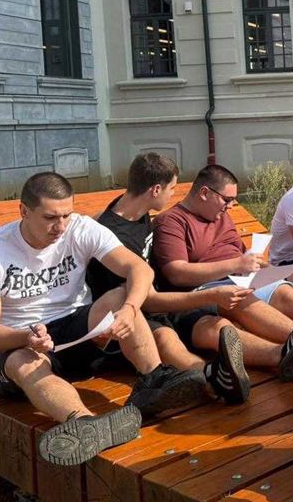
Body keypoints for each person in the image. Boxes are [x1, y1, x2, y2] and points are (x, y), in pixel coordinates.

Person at [0, 172, 206, 467]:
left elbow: (139, 270)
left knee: (120, 296)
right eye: (50, 217)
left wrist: (130, 309)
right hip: (18, 340)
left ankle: (154, 379)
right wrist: (25, 337)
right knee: (24, 361)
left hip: (75, 329)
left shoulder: (80, 228)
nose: (60, 226)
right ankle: (84, 423)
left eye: (66, 215)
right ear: (24, 211)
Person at [85, 152, 260, 404]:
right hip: (127, 316)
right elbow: (147, 301)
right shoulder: (115, 239)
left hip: (158, 302)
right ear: (156, 189)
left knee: (215, 322)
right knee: (165, 339)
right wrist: (209, 295)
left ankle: (241, 367)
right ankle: (211, 378)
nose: (173, 195)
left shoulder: (134, 211)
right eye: (172, 188)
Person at [151, 165, 293, 344]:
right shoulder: (172, 221)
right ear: (204, 193)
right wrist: (236, 265)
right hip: (210, 288)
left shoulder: (220, 215)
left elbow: (242, 255)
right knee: (242, 299)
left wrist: (266, 268)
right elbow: (177, 273)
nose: (231, 206)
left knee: (290, 295)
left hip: (244, 278)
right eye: (227, 199)